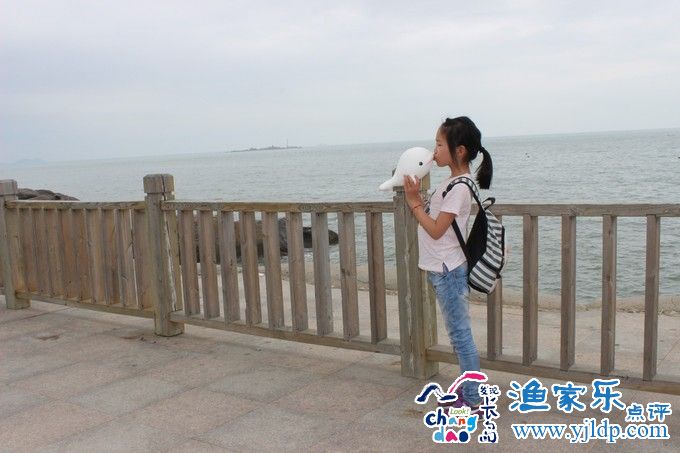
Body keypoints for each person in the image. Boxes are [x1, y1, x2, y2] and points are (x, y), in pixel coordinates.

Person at [403, 116, 493, 413]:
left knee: (460, 336)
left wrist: (414, 202)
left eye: (440, 145)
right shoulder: (451, 182)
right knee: (458, 334)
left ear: (460, 150)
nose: (435, 151)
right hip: (444, 268)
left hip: (448, 270)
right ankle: (468, 392)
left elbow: (436, 229)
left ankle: (473, 398)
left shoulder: (460, 188)